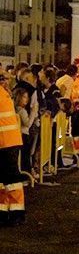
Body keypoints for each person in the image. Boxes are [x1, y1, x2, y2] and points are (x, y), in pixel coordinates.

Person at [0, 81, 25, 226]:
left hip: (6, 142)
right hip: (8, 140)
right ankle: (4, 211)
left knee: (11, 179)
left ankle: (17, 213)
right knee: (4, 179)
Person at [13, 88, 31, 173]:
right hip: (24, 134)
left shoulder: (14, 109)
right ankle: (26, 172)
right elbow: (27, 123)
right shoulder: (22, 111)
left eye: (27, 97)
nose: (26, 99)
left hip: (17, 134)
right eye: (24, 97)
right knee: (25, 155)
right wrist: (33, 114)